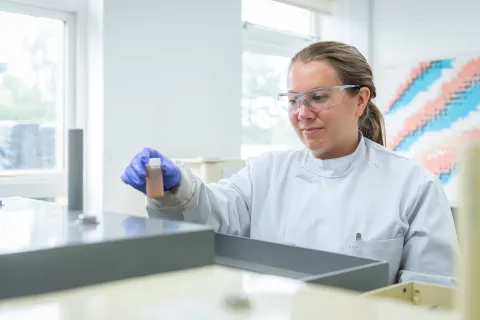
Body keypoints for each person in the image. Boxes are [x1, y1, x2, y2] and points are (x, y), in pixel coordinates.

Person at [121, 41, 458, 286]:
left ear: (360, 100)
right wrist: (175, 187)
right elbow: (210, 215)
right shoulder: (264, 173)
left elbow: (431, 295)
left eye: (318, 97)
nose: (303, 113)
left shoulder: (414, 186)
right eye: (294, 99)